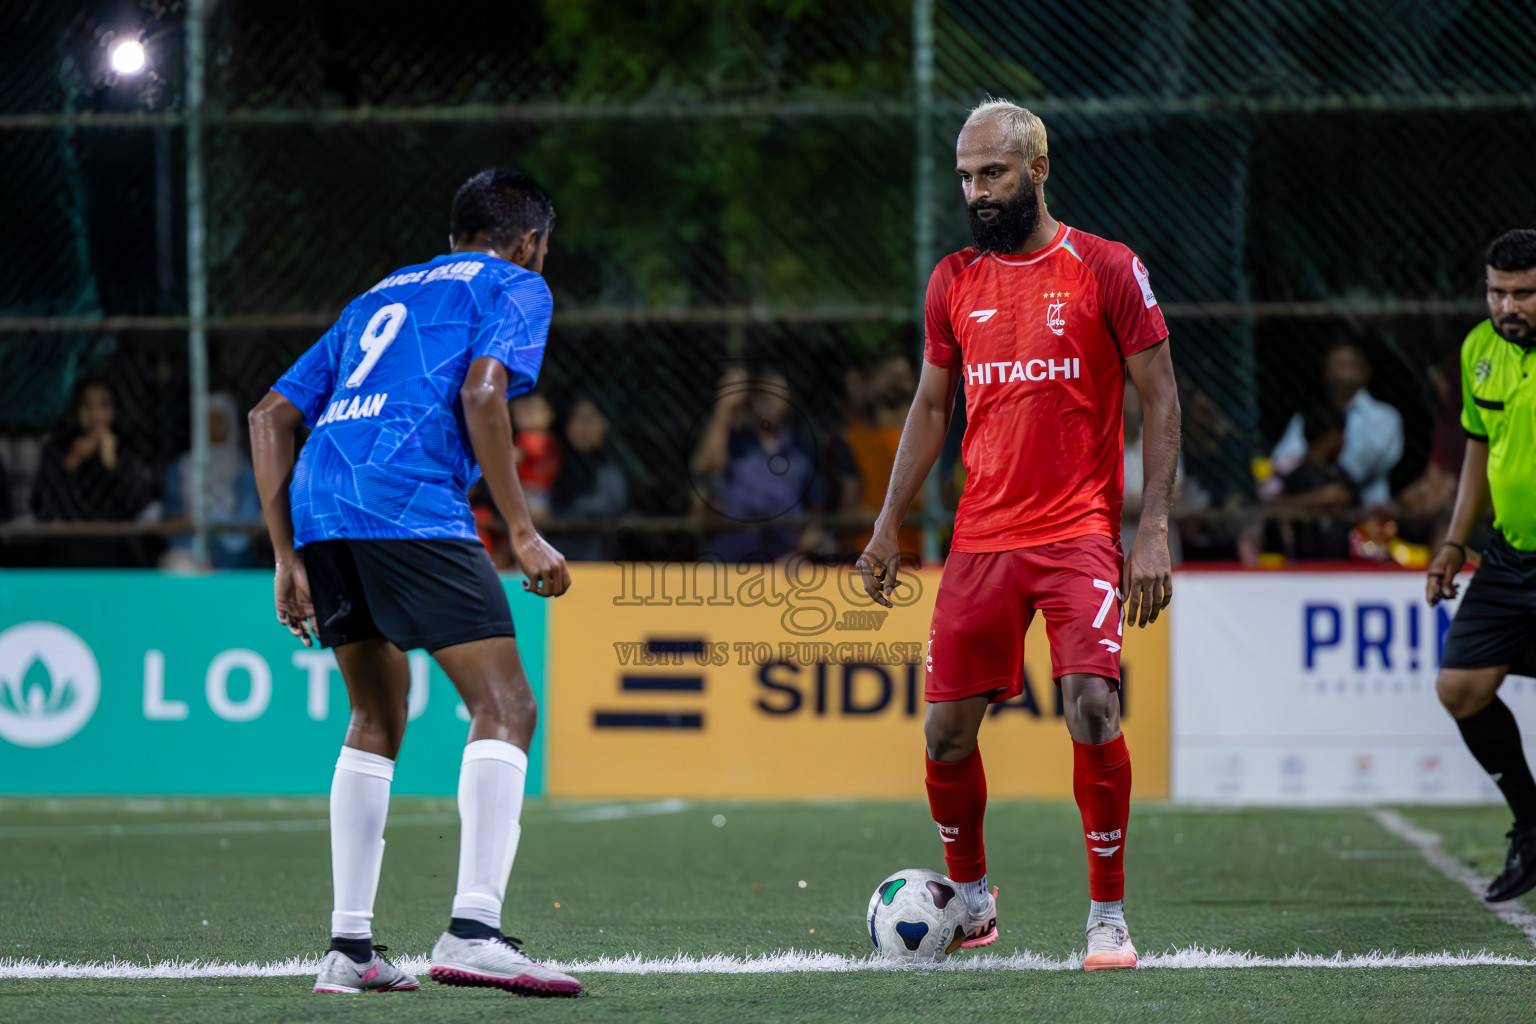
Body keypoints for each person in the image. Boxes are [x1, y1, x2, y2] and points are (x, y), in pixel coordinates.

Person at [858, 100, 1180, 971]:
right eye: (965, 177)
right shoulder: (952, 282)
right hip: (981, 539)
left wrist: (1150, 530)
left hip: (1077, 530)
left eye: (992, 174)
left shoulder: (1105, 267)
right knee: (944, 738)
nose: (976, 192)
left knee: (1092, 704)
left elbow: (1162, 394)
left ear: (1038, 168)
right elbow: (931, 407)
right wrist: (888, 525)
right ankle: (971, 898)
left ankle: (1106, 916)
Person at [248, 168, 581, 997]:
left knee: (375, 713)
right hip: (405, 499)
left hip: (321, 502)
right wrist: (524, 531)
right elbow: (482, 391)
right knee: (506, 707)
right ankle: (473, 931)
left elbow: (268, 417)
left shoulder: (380, 292)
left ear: (453, 235)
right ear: (532, 240)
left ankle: (349, 949)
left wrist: (287, 557)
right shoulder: (517, 284)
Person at [1426, 228, 1536, 903]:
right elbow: (1477, 450)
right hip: (1506, 556)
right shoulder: (1479, 350)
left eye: (1524, 294)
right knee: (1460, 688)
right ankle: (1531, 824)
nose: (1508, 306)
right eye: (1498, 292)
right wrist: (1454, 542)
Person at [692, 366, 820, 562]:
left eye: (778, 394)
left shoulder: (802, 455)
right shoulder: (736, 443)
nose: (769, 401)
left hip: (783, 550)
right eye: (763, 395)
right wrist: (724, 408)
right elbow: (706, 466)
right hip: (734, 543)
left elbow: (815, 518)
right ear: (752, 400)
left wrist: (798, 554)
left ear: (789, 401)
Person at [32, 378, 156, 567]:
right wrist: (72, 462)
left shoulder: (127, 449)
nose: (95, 414)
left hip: (115, 545)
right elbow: (43, 508)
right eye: (87, 405)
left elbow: (139, 509)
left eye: (103, 405)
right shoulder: (57, 448)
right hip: (66, 546)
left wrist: (113, 465)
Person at [1270, 340, 1402, 506]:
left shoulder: (1384, 417)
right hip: (1301, 506)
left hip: (1362, 515)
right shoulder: (1306, 416)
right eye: (1330, 365)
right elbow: (1283, 461)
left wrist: (1312, 460)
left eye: (1343, 365)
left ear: (1364, 372)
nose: (1335, 371)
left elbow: (1352, 472)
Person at [163, 392, 264, 568]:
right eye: (208, 419)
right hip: (189, 546)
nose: (213, 425)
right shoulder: (183, 467)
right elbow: (172, 516)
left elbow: (247, 517)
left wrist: (216, 526)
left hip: (233, 550)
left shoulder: (243, 468)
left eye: (218, 419)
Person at [549, 395, 630, 560]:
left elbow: (611, 507)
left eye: (590, 418)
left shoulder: (613, 470)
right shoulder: (550, 464)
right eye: (577, 418)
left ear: (605, 424)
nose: (584, 427)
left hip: (601, 561)